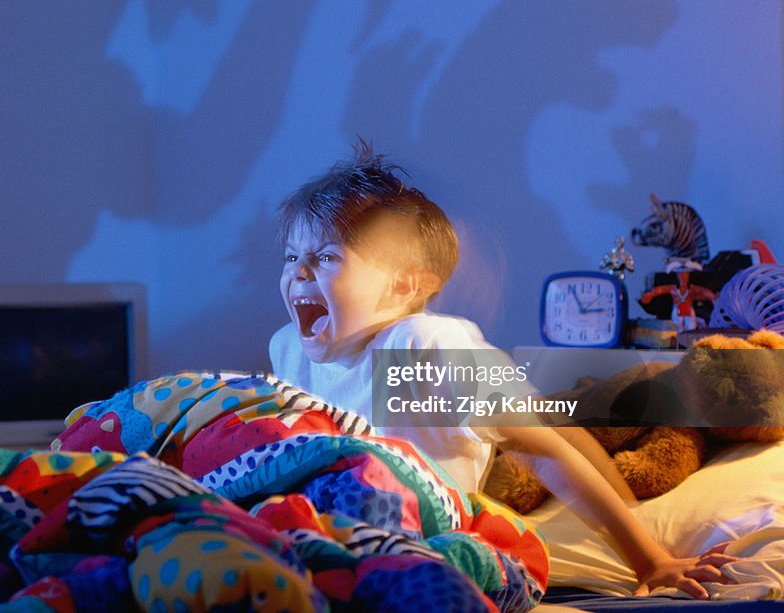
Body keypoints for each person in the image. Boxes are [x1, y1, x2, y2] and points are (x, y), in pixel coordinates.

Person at [269, 142, 736, 599]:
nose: (299, 274)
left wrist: (649, 558)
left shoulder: (424, 345)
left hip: (422, 546)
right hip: (329, 538)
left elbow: (547, 449)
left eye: (326, 257)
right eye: (292, 256)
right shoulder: (288, 348)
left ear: (404, 285)